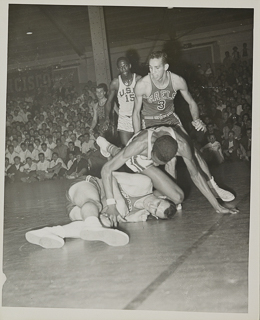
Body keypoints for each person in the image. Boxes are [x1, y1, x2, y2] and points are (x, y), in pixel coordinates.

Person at [97, 125, 238, 227]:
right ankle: (110, 148)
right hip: (139, 157)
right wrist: (111, 205)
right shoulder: (140, 144)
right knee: (126, 157)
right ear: (152, 153)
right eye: (156, 162)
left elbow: (196, 175)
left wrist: (217, 206)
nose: (158, 165)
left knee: (177, 198)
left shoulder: (182, 145)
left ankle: (147, 198)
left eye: (161, 163)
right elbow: (106, 169)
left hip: (158, 149)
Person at [25, 172, 176, 249]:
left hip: (81, 210)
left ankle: (51, 232)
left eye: (155, 211)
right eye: (158, 203)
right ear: (161, 196)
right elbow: (109, 175)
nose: (152, 206)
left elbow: (116, 215)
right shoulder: (144, 184)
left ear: (155, 216)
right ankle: (92, 224)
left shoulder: (139, 214)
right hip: (89, 187)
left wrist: (129, 218)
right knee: (93, 204)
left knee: (104, 224)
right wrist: (119, 200)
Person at [132, 51, 207, 134]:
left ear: (165, 67)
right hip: (150, 120)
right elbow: (136, 113)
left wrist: (196, 119)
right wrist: (136, 134)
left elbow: (191, 102)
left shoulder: (178, 81)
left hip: (170, 118)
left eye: (157, 68)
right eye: (150, 68)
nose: (153, 72)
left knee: (186, 144)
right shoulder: (142, 85)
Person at [104, 57, 142, 146]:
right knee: (127, 148)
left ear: (129, 66)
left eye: (125, 66)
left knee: (141, 146)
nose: (123, 68)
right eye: (121, 67)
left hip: (138, 117)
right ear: (118, 69)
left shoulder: (138, 79)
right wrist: (106, 118)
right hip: (124, 118)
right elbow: (109, 102)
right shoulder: (115, 83)